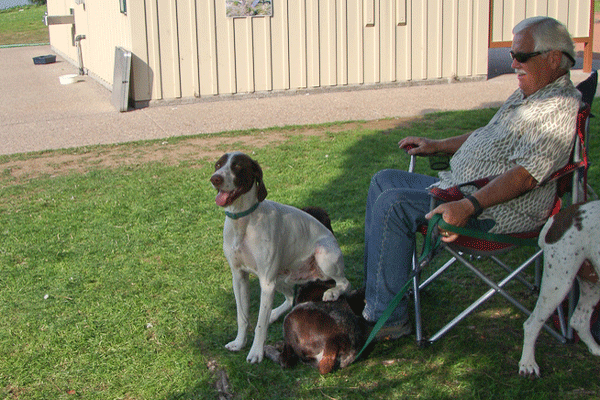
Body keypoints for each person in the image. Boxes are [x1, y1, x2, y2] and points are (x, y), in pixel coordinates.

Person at [362, 16, 582, 339]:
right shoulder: (528, 95)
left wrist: (469, 206)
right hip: (459, 189)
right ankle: (376, 294)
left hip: (492, 213)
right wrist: (437, 145)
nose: (513, 64)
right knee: (382, 180)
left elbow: (526, 177)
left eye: (521, 57)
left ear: (552, 58)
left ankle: (387, 318)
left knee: (394, 203)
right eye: (511, 55)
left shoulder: (559, 108)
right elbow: (485, 134)